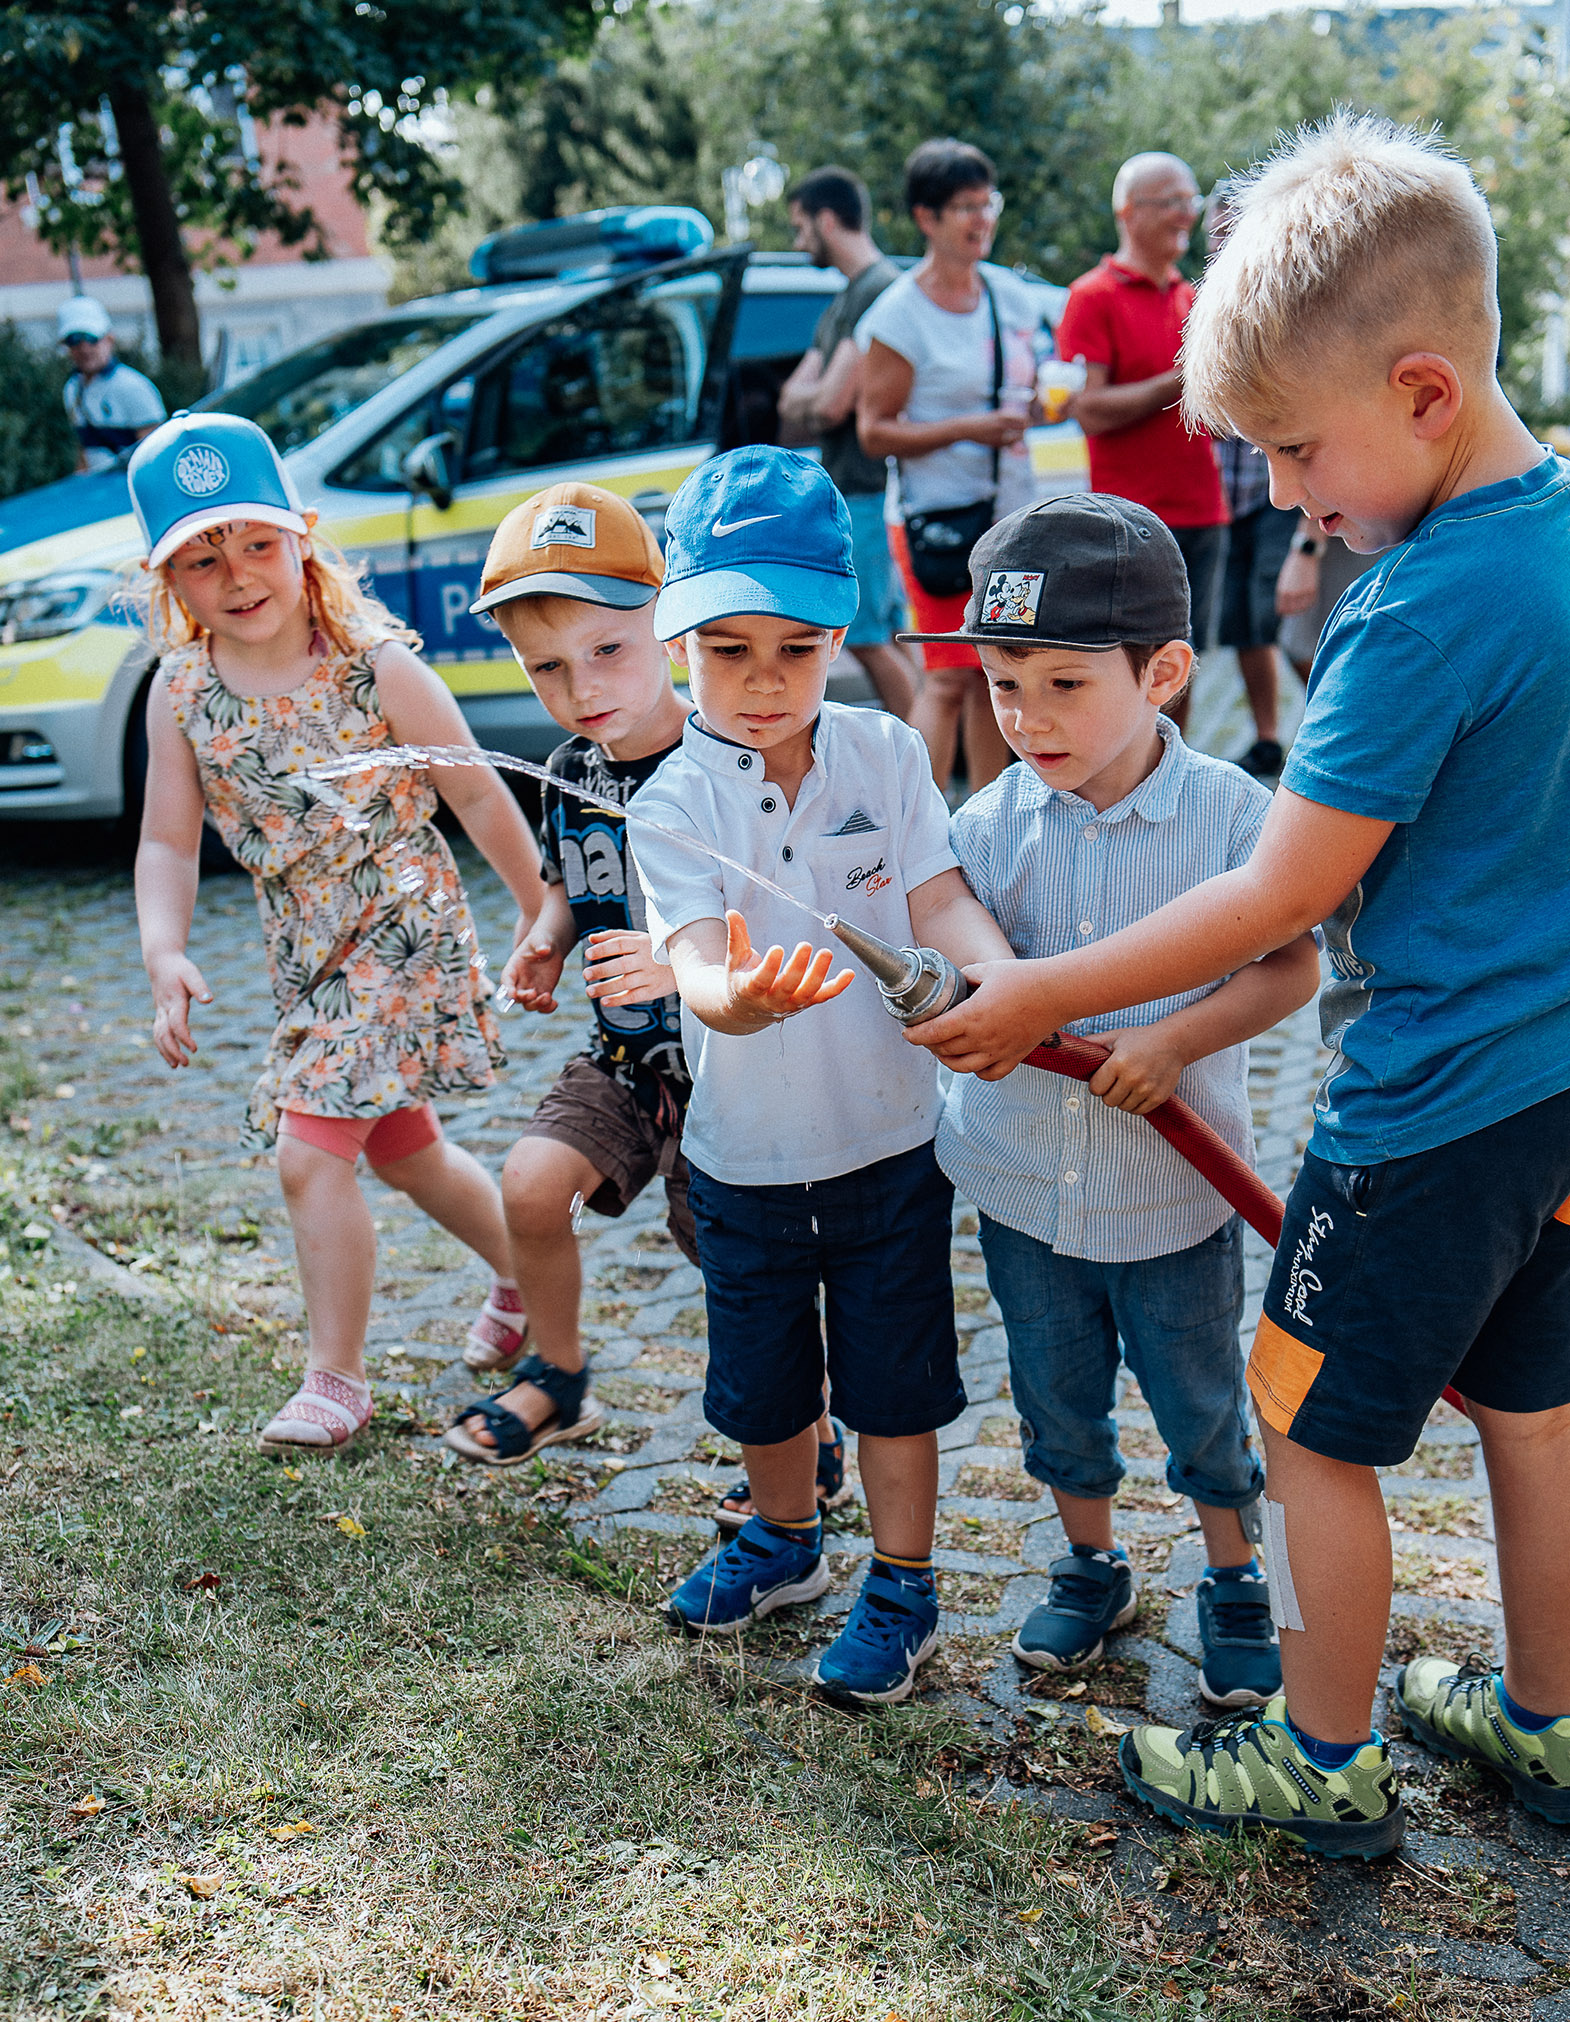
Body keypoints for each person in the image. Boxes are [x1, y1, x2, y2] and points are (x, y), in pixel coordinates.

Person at [911, 113, 1570, 1855]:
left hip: (1424, 1108)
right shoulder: (1560, 537)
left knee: (1307, 1432)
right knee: (1533, 1407)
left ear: (1423, 392)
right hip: (1552, 1099)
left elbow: (1276, 891)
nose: (1285, 492)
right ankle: (1550, 1721)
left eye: (1295, 446)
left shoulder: (1414, 610)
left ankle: (1322, 1755)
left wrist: (1041, 999)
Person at [904, 495, 1317, 1701]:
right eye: (1001, 684)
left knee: (1199, 1404)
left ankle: (1235, 1574)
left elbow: (1289, 963)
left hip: (1172, 1197)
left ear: (1166, 671)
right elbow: (960, 980)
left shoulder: (1238, 819)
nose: (1027, 718)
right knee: (1056, 1399)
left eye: (1064, 684)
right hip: (1026, 1190)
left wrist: (1178, 1039)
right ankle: (1090, 1564)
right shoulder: (984, 828)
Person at [629, 445, 1015, 1702]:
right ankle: (782, 1539)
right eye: (725, 648)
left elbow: (936, 893)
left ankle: (902, 1581)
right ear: (675, 636)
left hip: (891, 1144)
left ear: (839, 634)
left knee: (895, 1382)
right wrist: (732, 1001)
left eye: (792, 650)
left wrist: (995, 977)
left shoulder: (886, 753)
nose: (759, 682)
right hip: (742, 1158)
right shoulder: (671, 800)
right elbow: (691, 960)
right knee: (764, 1381)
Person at [130, 412, 545, 1453]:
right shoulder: (179, 695)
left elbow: (481, 799)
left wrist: (544, 907)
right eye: (202, 557)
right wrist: (163, 949)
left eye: (255, 542)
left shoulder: (376, 668)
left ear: (302, 537)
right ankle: (530, 1283)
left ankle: (337, 1379)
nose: (236, 575)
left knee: (310, 1153)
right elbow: (167, 844)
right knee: (406, 1151)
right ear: (168, 581)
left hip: (404, 933)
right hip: (307, 957)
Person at [857, 138, 1044, 795]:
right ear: (926, 218)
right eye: (964, 207)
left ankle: (989, 819)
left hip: (1010, 520)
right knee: (947, 674)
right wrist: (972, 429)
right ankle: (918, 826)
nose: (981, 219)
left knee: (998, 668)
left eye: (986, 203)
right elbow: (873, 431)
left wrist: (1045, 402)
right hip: (935, 523)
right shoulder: (898, 317)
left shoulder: (1009, 295)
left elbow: (1032, 385)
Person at [1055, 153, 1227, 733]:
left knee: (1185, 656)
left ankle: (1176, 772)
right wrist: (1183, 377)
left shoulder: (1194, 297)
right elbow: (1090, 411)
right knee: (1126, 658)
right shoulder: (1093, 295)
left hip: (1203, 507)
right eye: (1172, 202)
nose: (1187, 214)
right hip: (1129, 515)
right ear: (1128, 213)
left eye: (1191, 200)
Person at [778, 166, 917, 722]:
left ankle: (923, 766)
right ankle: (926, 764)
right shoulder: (845, 302)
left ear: (827, 219)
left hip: (867, 490)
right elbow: (792, 402)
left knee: (867, 635)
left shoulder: (879, 293)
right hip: (851, 493)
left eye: (800, 226)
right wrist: (815, 399)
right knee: (882, 634)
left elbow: (827, 406)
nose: (797, 241)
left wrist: (816, 401)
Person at [1204, 183, 1301, 779]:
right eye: (1217, 230)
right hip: (1222, 493)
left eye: (1234, 228)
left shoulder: (1281, 299)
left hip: (1280, 484)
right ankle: (1269, 738)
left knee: (1280, 615)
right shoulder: (1203, 302)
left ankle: (1334, 723)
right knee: (1242, 622)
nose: (1224, 240)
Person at [58, 297, 166, 474]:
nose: (84, 348)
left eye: (91, 338)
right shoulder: (72, 389)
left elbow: (154, 456)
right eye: (74, 340)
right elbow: (84, 452)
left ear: (109, 339)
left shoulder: (133, 387)